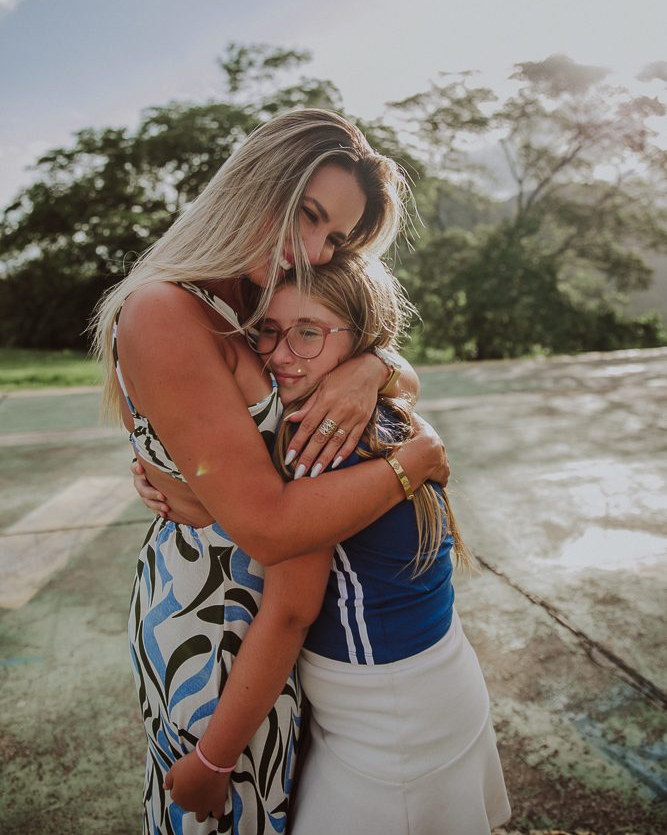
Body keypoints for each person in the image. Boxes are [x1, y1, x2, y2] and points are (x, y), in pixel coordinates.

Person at [96, 108, 450, 834]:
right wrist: (415, 461)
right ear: (257, 187)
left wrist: (373, 366)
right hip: (213, 627)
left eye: (336, 238)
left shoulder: (251, 298)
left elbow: (365, 362)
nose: (317, 250)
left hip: (275, 630)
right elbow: (269, 525)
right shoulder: (166, 310)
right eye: (311, 217)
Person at [155, 253, 511, 835]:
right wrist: (174, 482)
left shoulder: (320, 445)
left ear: (359, 339)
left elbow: (291, 609)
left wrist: (214, 760)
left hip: (389, 715)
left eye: (308, 333)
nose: (279, 353)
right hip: (427, 681)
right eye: (267, 330)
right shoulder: (383, 415)